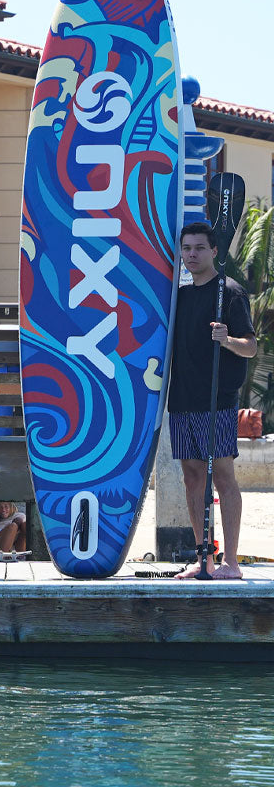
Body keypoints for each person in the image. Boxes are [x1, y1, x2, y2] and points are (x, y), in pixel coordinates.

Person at [168, 220, 257, 580]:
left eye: (199, 248)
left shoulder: (230, 292)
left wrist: (226, 339)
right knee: (192, 478)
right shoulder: (181, 295)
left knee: (222, 475)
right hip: (182, 398)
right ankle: (203, 558)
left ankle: (231, 562)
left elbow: (250, 347)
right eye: (187, 248)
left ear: (214, 251)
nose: (192, 254)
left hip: (217, 399)